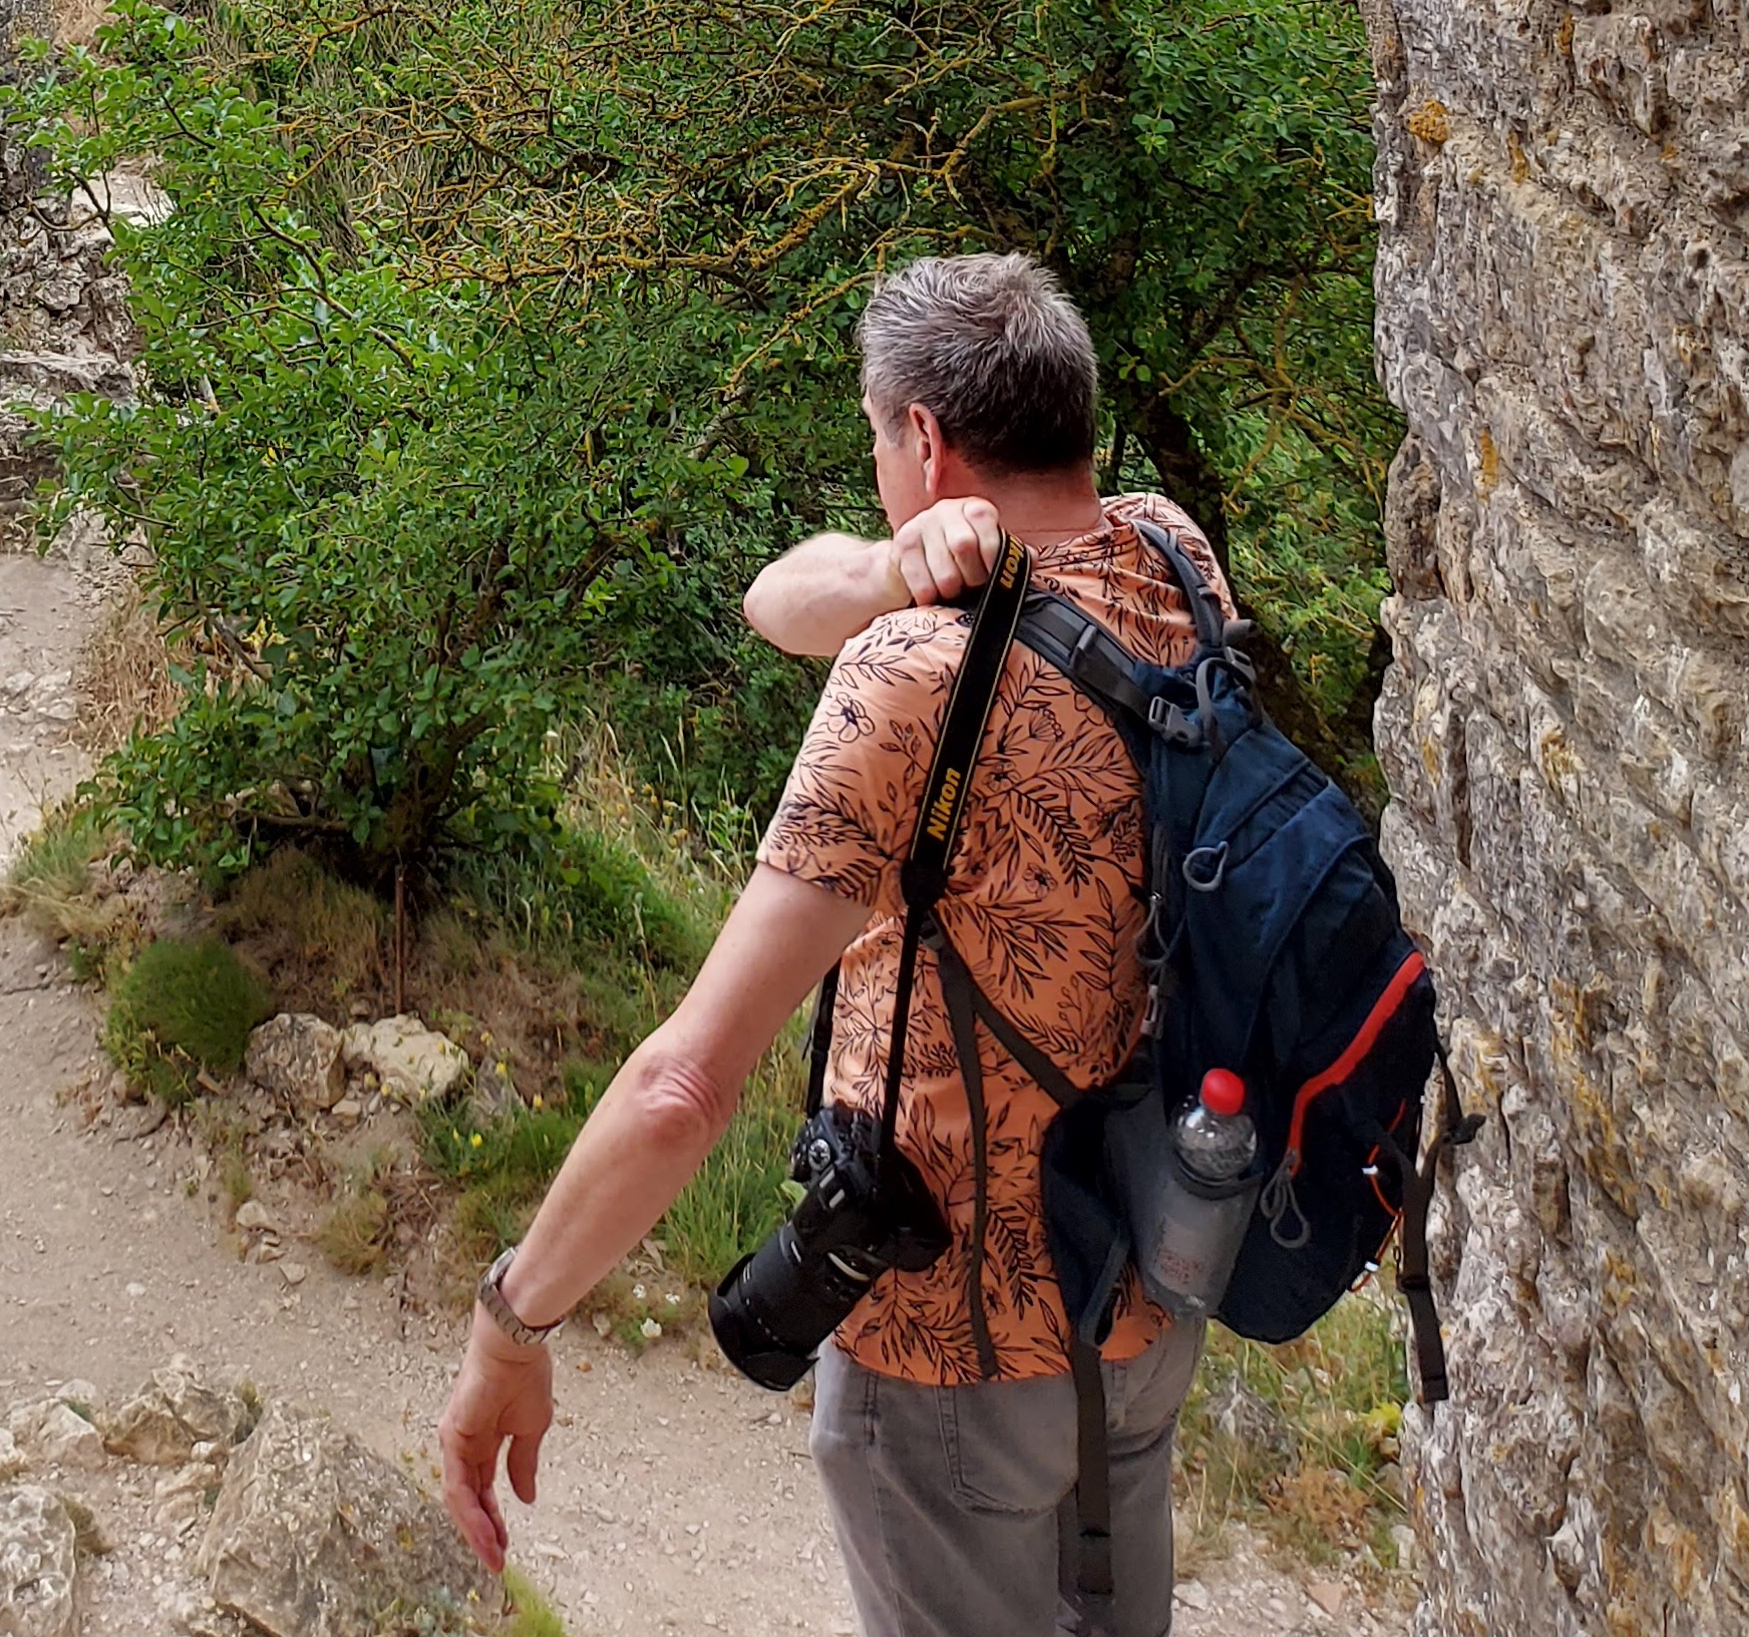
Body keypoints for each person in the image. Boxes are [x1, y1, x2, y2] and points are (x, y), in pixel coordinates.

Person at [435, 251, 1231, 1637]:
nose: (874, 468)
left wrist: (513, 1325)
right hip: (1145, 1299)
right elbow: (776, 596)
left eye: (876, 440)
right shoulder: (1170, 555)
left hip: (952, 1354)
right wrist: (890, 562)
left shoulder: (917, 682)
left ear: (922, 437)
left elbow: (685, 1088)